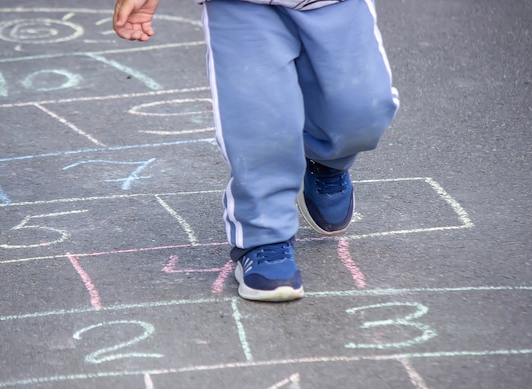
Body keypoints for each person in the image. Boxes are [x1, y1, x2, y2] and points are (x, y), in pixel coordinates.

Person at [113, 0, 399, 302]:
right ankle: (264, 237)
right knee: (257, 121)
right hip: (241, 6)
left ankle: (325, 158)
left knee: (361, 111)